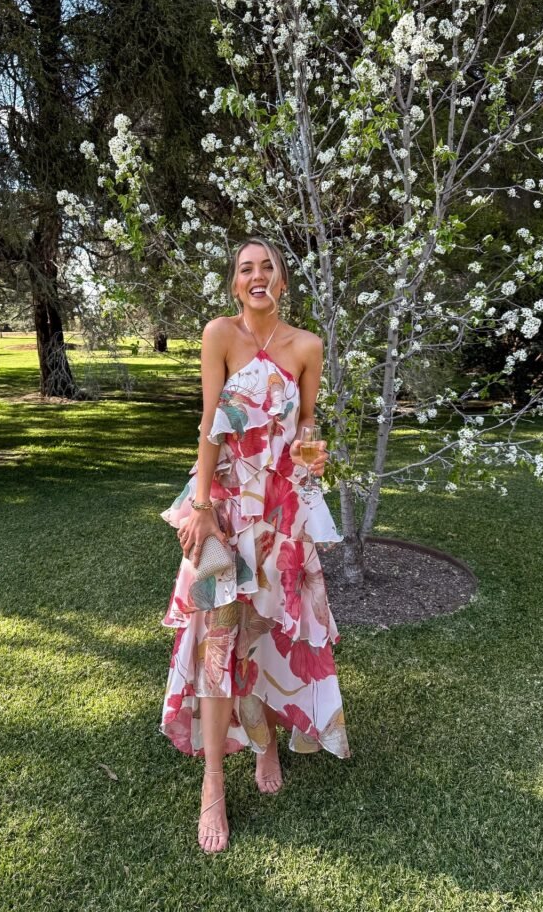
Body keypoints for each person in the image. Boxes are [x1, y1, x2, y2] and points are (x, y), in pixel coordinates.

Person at [160, 238, 350, 854]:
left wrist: (308, 488)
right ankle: (213, 783)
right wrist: (202, 507)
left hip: (279, 512)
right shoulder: (220, 335)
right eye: (246, 269)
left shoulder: (307, 347)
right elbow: (211, 422)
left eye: (267, 266)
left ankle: (265, 740)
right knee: (217, 641)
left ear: (283, 280)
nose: (257, 275)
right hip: (223, 509)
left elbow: (307, 428)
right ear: (236, 284)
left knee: (268, 632)